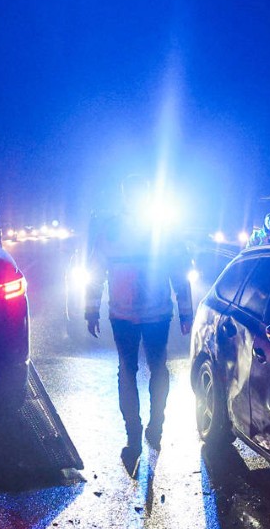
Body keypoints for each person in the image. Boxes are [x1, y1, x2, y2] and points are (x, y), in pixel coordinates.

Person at [81, 175, 194, 473]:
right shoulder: (155, 228)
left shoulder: (118, 229)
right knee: (149, 370)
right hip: (142, 315)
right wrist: (185, 314)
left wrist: (91, 310)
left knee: (133, 372)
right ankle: (146, 430)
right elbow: (95, 272)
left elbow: (180, 273)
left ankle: (142, 432)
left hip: (132, 315)